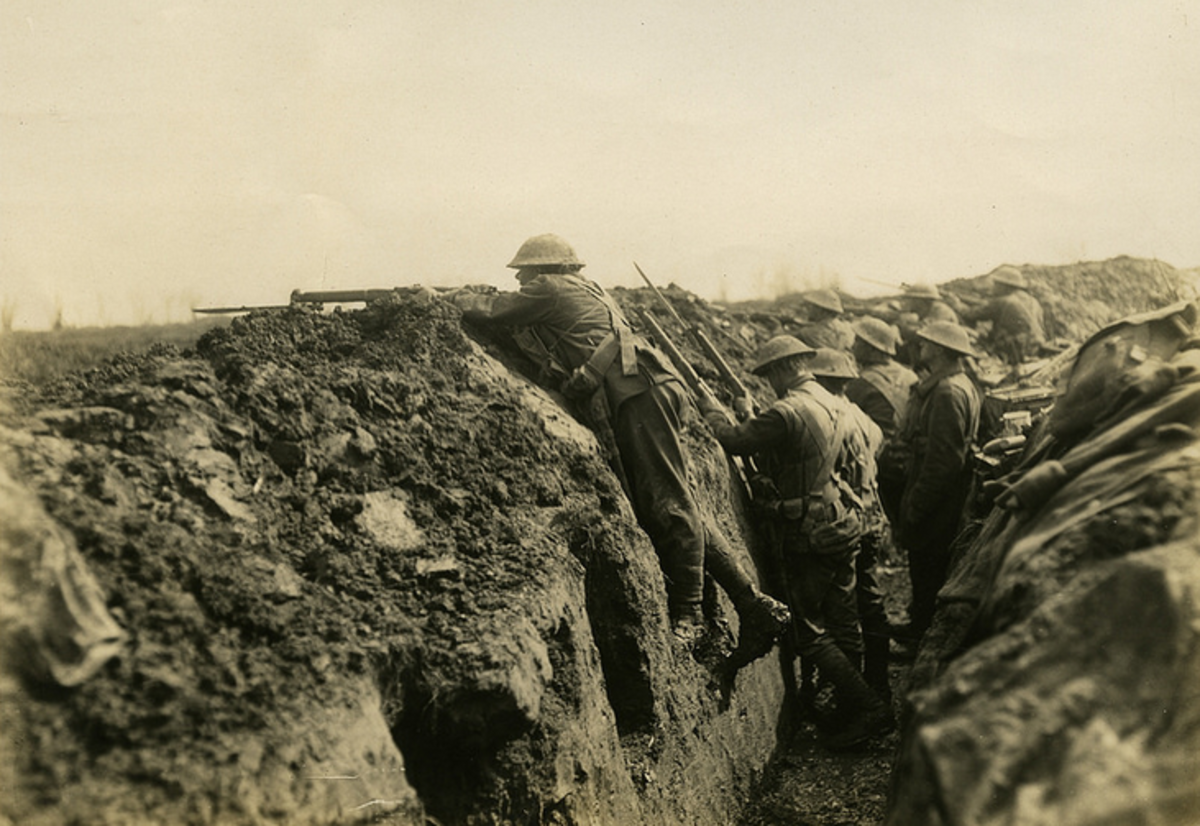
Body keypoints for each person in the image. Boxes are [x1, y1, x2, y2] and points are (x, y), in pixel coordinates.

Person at [451, 234, 789, 661]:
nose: (521, 279)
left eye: (525, 272)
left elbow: (489, 310)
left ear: (544, 271)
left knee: (667, 501)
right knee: (680, 498)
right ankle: (749, 602)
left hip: (638, 392)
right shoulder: (585, 289)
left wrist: (439, 297)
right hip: (646, 388)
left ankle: (690, 615)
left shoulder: (551, 289)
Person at [697, 336, 893, 749]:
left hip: (810, 534)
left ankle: (869, 708)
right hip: (843, 523)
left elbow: (733, 441)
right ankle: (851, 706)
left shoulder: (788, 409)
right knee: (843, 622)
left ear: (783, 370)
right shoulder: (836, 402)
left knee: (806, 632)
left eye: (770, 375)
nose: (770, 383)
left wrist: (713, 412)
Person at [890, 321, 982, 655]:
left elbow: (944, 460)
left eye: (926, 344)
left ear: (941, 350)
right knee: (928, 566)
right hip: (947, 493)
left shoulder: (947, 392)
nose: (920, 348)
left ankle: (920, 639)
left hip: (940, 496)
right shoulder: (959, 384)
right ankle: (918, 624)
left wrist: (917, 503)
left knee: (928, 564)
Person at [808, 349, 894, 706]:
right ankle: (877, 683)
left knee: (841, 610)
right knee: (870, 602)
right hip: (872, 518)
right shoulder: (862, 416)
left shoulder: (827, 418)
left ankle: (857, 698)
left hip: (848, 522)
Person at [847, 317, 919, 522]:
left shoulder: (861, 383)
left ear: (872, 349)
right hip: (911, 456)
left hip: (882, 461)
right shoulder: (910, 374)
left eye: (858, 342)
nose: (853, 346)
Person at [960, 266, 1046, 366]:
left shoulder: (1003, 301)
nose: (993, 287)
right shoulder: (1033, 301)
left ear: (1004, 286)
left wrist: (956, 303)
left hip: (1015, 351)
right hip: (1036, 348)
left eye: (996, 284)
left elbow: (970, 314)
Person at [893, 283, 960, 367]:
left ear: (921, 301)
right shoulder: (926, 311)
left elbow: (923, 334)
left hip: (945, 359)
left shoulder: (941, 311)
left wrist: (901, 327)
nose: (908, 302)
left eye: (911, 299)